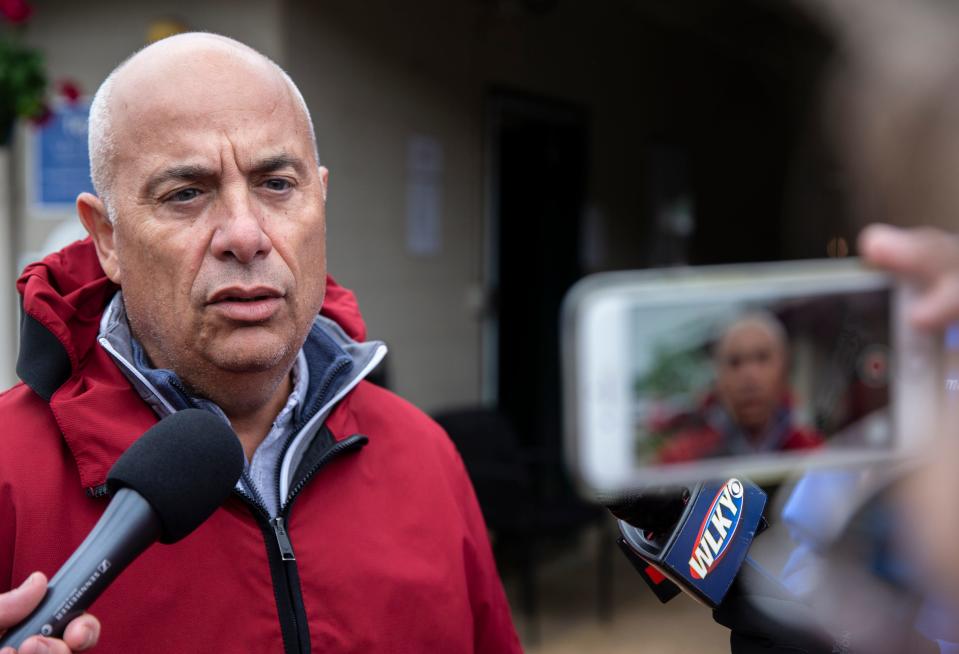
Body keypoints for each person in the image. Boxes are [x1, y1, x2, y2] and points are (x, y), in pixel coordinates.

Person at [0, 33, 521, 653]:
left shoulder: (425, 456)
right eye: (186, 193)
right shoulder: (10, 475)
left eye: (277, 183)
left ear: (320, 199)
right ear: (107, 238)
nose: (245, 235)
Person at [657, 313, 823, 463]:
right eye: (735, 362)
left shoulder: (813, 454)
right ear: (718, 377)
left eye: (762, 358)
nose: (749, 376)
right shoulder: (685, 459)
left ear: (784, 368)